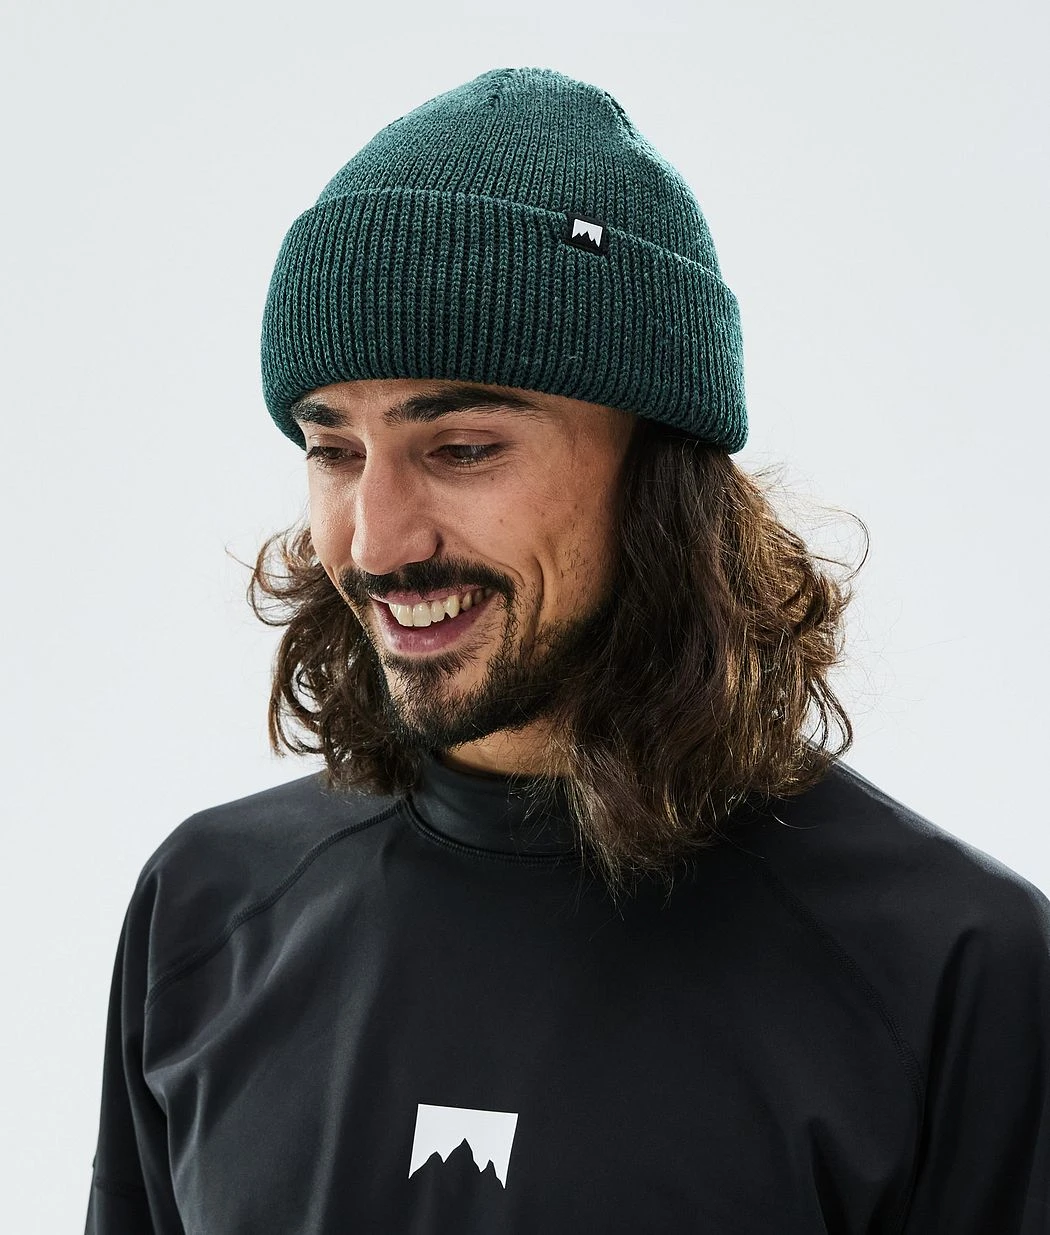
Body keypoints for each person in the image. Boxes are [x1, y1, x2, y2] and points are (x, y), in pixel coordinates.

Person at [84, 67, 1050, 1234]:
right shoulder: (206, 910)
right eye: (333, 451)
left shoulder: (950, 969)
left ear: (659, 469)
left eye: (462, 447)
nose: (377, 540)